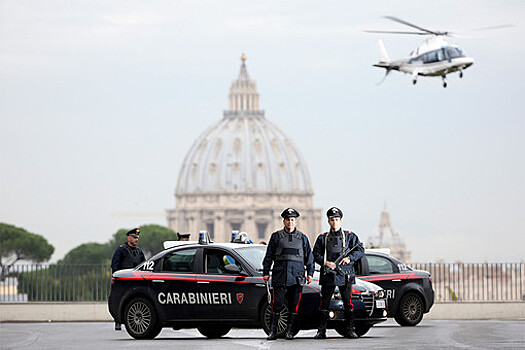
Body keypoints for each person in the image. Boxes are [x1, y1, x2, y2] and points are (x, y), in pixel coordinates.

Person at [262, 208, 314, 340]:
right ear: (284, 221)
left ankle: (290, 331)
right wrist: (266, 272)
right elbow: (268, 256)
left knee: (294, 304)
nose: (290, 222)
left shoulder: (302, 238)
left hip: (297, 276)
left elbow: (309, 258)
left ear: (295, 221)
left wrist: (310, 273)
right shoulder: (276, 236)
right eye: (288, 220)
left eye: (292, 220)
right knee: (277, 303)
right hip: (280, 275)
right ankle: (272, 331)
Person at [313, 207, 364, 339]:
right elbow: (315, 254)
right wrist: (325, 263)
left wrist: (349, 258)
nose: (334, 222)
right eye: (332, 220)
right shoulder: (323, 238)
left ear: (340, 221)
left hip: (345, 274)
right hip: (329, 274)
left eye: (336, 219)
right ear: (328, 221)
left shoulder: (350, 236)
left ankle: (350, 329)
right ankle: (321, 330)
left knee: (348, 302)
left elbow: (360, 250)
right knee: (324, 303)